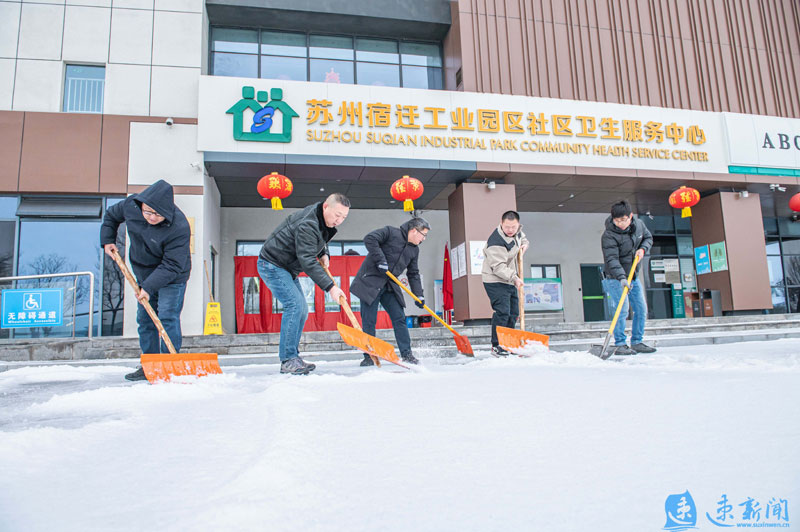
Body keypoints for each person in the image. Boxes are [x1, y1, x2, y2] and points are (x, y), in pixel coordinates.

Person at [100, 179, 192, 381]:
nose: (151, 217)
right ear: (141, 205)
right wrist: (107, 240)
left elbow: (172, 265)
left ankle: (168, 365)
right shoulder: (131, 205)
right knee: (145, 319)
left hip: (172, 276)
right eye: (148, 212)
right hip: (143, 272)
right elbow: (111, 216)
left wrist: (148, 288)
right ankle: (149, 365)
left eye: (157, 214)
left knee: (167, 317)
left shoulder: (179, 226)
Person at [258, 193, 350, 375]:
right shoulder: (308, 223)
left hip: (287, 268)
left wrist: (324, 253)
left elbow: (319, 240)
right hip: (272, 264)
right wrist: (331, 287)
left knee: (302, 310)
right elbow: (307, 260)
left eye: (344, 217)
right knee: (295, 306)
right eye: (337, 215)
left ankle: (293, 357)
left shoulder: (321, 220)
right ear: (326, 206)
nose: (339, 221)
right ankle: (288, 359)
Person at [350, 217, 431, 366]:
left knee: (399, 318)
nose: (424, 239)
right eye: (423, 235)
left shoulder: (414, 250)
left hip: (389, 285)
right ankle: (369, 356)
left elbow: (413, 273)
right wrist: (380, 260)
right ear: (414, 230)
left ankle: (407, 354)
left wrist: (419, 295)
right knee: (369, 320)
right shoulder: (391, 233)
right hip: (371, 282)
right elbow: (370, 239)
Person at [601, 200, 656, 355]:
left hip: (633, 276)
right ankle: (619, 344)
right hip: (614, 278)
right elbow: (611, 259)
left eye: (623, 220)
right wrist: (621, 278)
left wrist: (643, 249)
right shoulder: (608, 235)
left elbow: (648, 238)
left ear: (630, 216)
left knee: (641, 308)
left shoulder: (639, 225)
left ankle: (637, 341)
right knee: (622, 309)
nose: (620, 224)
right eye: (617, 220)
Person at [481, 210, 529, 357]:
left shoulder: (518, 233)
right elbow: (498, 267)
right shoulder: (495, 241)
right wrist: (514, 278)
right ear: (501, 224)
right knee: (503, 312)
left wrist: (525, 245)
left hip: (509, 279)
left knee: (513, 313)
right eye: (507, 227)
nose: (510, 230)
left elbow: (523, 239)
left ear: (518, 225)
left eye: (513, 227)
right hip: (495, 279)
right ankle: (497, 345)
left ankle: (509, 343)